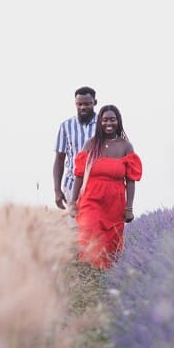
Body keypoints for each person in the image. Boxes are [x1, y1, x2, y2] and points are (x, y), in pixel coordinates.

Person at [68, 104, 142, 269]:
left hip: (115, 204)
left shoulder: (126, 147)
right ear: (100, 122)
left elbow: (131, 180)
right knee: (88, 233)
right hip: (91, 200)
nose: (109, 123)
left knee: (110, 245)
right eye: (105, 119)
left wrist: (129, 208)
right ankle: (87, 273)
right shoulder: (91, 145)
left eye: (113, 119)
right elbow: (79, 175)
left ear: (118, 121)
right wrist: (73, 202)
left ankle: (103, 280)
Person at [53, 86, 98, 211]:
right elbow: (59, 159)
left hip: (98, 185)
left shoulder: (104, 124)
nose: (83, 107)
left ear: (95, 102)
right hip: (72, 186)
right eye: (79, 104)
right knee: (75, 229)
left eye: (87, 104)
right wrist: (57, 190)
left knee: (96, 228)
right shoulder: (66, 126)